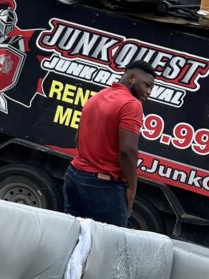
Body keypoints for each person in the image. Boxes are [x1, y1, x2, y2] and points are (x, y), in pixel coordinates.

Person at [63, 60, 156, 227]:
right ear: (132, 78)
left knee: (73, 239)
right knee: (112, 245)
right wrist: (132, 187)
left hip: (74, 176)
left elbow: (78, 138)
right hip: (102, 186)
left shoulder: (98, 96)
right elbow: (128, 150)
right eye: (147, 85)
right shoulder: (132, 104)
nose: (149, 92)